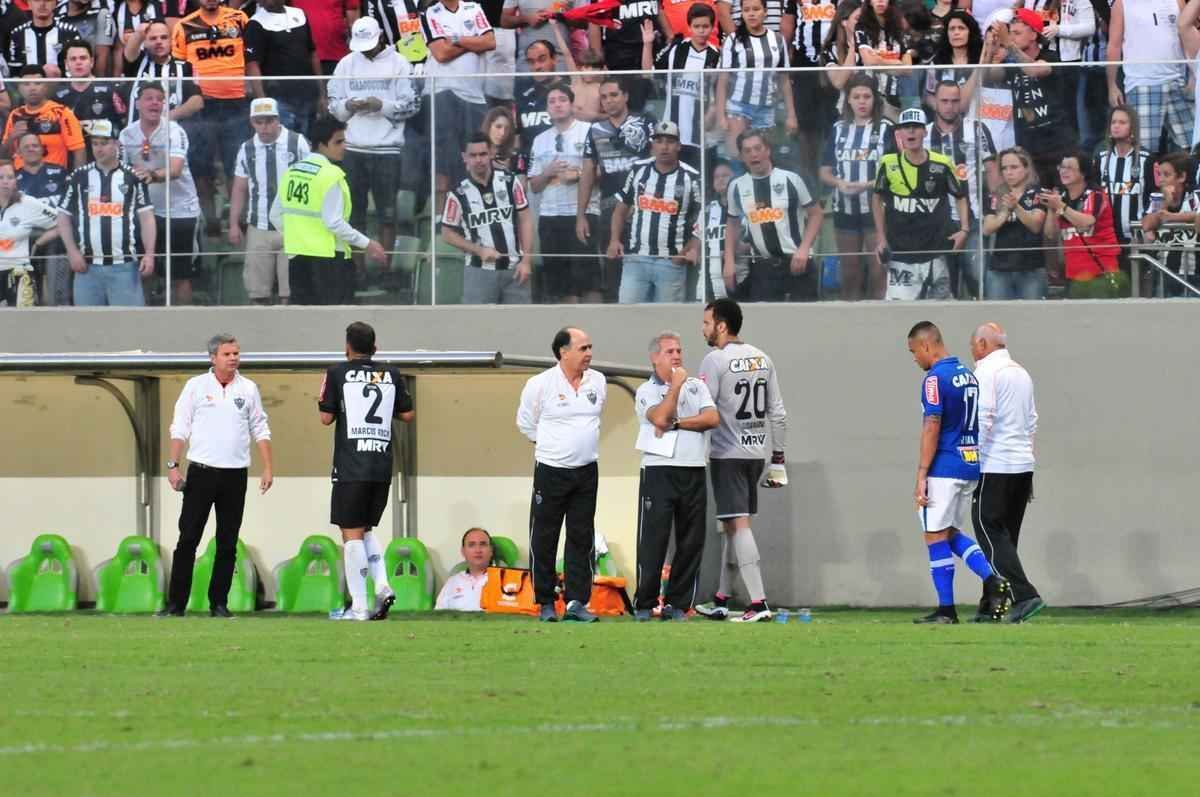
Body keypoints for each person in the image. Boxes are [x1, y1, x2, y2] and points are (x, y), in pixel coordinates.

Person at [905, 320, 1011, 625]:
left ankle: (947, 609)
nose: (914, 359)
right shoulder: (967, 375)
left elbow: (932, 425)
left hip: (944, 466)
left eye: (914, 351)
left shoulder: (935, 380)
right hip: (969, 463)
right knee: (950, 533)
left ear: (927, 345)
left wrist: (922, 474)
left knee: (933, 535)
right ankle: (993, 580)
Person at [160, 333, 274, 618]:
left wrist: (268, 467)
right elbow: (179, 427)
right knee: (188, 539)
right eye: (227, 354)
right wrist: (173, 466)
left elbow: (260, 427)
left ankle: (219, 604)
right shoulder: (195, 386)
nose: (234, 358)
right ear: (213, 358)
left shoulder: (248, 388)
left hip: (235, 475)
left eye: (236, 353)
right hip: (201, 473)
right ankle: (176, 605)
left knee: (227, 541)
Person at [694, 298, 787, 623]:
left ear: (721, 325)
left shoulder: (714, 360)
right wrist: (777, 458)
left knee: (739, 525)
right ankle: (721, 598)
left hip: (727, 454)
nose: (703, 329)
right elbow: (778, 412)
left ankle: (759, 603)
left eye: (707, 323)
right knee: (732, 525)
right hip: (756, 453)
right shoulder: (763, 357)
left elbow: (704, 410)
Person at [318, 321, 415, 622]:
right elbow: (408, 414)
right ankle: (383, 585)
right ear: (375, 348)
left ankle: (359, 606)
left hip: (351, 464)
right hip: (381, 465)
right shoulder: (392, 373)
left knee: (351, 535)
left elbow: (325, 417)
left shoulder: (336, 373)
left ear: (347, 347)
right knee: (366, 530)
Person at [515, 326, 606, 623]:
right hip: (551, 471)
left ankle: (577, 602)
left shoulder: (598, 382)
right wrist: (553, 448)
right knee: (544, 537)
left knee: (581, 536)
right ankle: (544, 602)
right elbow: (526, 423)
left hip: (587, 472)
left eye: (590, 347)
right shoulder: (540, 384)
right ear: (563, 352)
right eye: (583, 348)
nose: (589, 354)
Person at [632, 331, 719, 621]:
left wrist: (679, 423)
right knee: (653, 540)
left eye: (679, 351)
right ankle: (644, 603)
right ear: (655, 357)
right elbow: (659, 418)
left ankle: (678, 603)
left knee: (691, 540)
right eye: (670, 351)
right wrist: (675, 387)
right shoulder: (646, 391)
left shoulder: (697, 386)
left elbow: (711, 418)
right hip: (659, 470)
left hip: (694, 468)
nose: (677, 356)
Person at [329, 16, 420, 283]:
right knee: (353, 215)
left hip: (387, 148)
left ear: (381, 37)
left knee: (388, 214)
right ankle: (356, 271)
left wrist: (381, 104)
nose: (366, 49)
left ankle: (385, 269)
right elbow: (334, 106)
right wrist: (350, 106)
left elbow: (412, 105)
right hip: (354, 148)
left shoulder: (399, 63)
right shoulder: (346, 63)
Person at [969, 321, 1044, 624]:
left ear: (984, 345)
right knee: (1005, 541)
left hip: (995, 465)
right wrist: (1028, 459)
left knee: (987, 530)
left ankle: (1024, 596)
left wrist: (973, 460)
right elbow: (1032, 421)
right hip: (1022, 467)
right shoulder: (1021, 372)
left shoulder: (985, 371)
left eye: (973, 346)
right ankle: (992, 606)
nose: (973, 352)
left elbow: (983, 418)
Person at [269, 115, 388, 305]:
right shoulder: (330, 175)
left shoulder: (291, 172)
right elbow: (334, 222)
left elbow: (275, 215)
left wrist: (300, 234)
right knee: (335, 322)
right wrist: (368, 244)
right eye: (338, 142)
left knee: (305, 324)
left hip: (297, 259)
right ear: (321, 145)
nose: (344, 147)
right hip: (330, 261)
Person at [56, 118, 156, 306]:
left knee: (129, 326)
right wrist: (72, 252)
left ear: (117, 144)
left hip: (125, 266)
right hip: (87, 268)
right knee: (88, 328)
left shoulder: (133, 177)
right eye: (94, 144)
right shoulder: (79, 177)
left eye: (104, 143)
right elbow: (62, 217)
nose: (98, 149)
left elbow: (147, 218)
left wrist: (149, 254)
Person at [171, 0, 252, 231]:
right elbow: (180, 72)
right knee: (200, 168)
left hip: (236, 104)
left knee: (235, 166)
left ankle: (238, 221)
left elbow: (252, 58)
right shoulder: (183, 26)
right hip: (201, 107)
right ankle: (211, 222)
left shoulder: (239, 19)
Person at [872, 107, 968, 301]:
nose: (911, 132)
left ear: (925, 131)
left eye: (916, 127)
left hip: (936, 252)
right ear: (899, 132)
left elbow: (960, 196)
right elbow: (876, 199)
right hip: (900, 253)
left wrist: (964, 229)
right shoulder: (888, 163)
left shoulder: (942, 163)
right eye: (906, 127)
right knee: (900, 313)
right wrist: (881, 238)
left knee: (941, 313)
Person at [119, 82, 201, 305]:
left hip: (180, 211)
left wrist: (151, 176)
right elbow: (122, 172)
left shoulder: (175, 131)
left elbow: (175, 170)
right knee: (144, 271)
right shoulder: (127, 135)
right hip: (145, 213)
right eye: (149, 98)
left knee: (181, 275)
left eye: (159, 99)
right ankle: (142, 324)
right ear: (137, 103)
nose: (154, 102)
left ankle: (183, 325)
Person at [576, 77, 655, 302]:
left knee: (645, 268)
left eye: (613, 95)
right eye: (604, 97)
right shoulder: (595, 130)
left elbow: (657, 163)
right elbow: (588, 172)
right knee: (612, 273)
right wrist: (580, 215)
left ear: (626, 96)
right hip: (609, 207)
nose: (608, 101)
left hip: (644, 206)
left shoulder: (645, 122)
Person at [608, 121, 702, 303]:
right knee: (628, 316)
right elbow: (620, 209)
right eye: (659, 141)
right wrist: (614, 240)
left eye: (670, 141)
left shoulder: (691, 177)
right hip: (636, 259)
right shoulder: (638, 170)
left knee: (668, 322)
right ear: (652, 144)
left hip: (672, 261)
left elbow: (701, 218)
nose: (664, 147)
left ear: (679, 146)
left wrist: (692, 248)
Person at [725, 130, 824, 302]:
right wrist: (729, 261)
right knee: (765, 323)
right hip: (763, 268)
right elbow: (732, 224)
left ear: (767, 150)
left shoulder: (791, 179)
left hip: (797, 261)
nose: (754, 154)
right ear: (741, 156)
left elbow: (816, 214)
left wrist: (804, 248)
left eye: (757, 148)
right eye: (747, 151)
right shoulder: (736, 187)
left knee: (805, 322)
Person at [230, 97, 311, 306]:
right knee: (257, 292)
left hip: (292, 225)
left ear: (278, 120)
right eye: (259, 122)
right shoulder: (246, 149)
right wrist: (233, 224)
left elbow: (310, 181)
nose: (264, 127)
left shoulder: (297, 142)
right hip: (259, 225)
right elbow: (239, 188)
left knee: (290, 292)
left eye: (268, 121)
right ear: (252, 122)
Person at [819, 73, 892, 301]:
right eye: (857, 96)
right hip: (845, 211)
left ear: (875, 99)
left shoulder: (887, 128)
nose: (862, 101)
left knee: (878, 270)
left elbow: (893, 171)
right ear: (848, 100)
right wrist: (839, 183)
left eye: (867, 96)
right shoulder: (838, 128)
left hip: (876, 210)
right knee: (850, 272)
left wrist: (867, 185)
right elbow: (824, 171)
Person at [984, 8, 1075, 191]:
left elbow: (1034, 70)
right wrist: (990, 50)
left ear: (1034, 34)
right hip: (1027, 147)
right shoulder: (1013, 64)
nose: (1012, 37)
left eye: (1017, 33)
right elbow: (990, 76)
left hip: (1056, 145)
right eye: (1011, 34)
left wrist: (1008, 44)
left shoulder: (1050, 57)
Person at [441, 131, 534, 304]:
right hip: (479, 271)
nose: (478, 160)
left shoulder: (510, 182)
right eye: (473, 155)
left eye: (483, 154)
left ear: (491, 152)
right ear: (464, 157)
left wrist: (527, 260)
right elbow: (446, 233)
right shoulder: (457, 194)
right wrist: (479, 250)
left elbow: (526, 219)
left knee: (522, 326)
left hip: (515, 269)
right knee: (478, 328)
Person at [925, 79, 997, 299]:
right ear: (934, 102)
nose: (949, 106)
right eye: (944, 101)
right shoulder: (924, 134)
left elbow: (992, 170)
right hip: (937, 221)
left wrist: (993, 210)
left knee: (978, 280)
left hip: (974, 218)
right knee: (943, 285)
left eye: (955, 101)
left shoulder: (976, 128)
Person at [528, 84, 600, 303]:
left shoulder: (589, 132)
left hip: (583, 213)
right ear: (547, 109)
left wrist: (579, 174)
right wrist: (548, 172)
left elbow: (604, 172)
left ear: (571, 104)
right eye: (552, 101)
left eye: (562, 99)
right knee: (561, 286)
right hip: (550, 217)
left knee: (589, 281)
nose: (557, 105)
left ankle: (596, 328)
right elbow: (534, 185)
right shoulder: (539, 140)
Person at [421, 0, 496, 208]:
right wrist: (473, 42)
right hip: (441, 92)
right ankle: (440, 221)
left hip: (474, 95)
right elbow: (441, 54)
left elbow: (490, 41)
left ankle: (473, 213)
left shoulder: (474, 8)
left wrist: (455, 39)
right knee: (444, 162)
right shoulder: (429, 13)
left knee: (476, 158)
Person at [1107, 0, 1194, 154]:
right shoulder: (1121, 4)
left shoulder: (1177, 1)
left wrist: (1194, 75)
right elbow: (1114, 45)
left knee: (1193, 144)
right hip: (1141, 84)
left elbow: (1186, 38)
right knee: (1142, 151)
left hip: (1178, 81)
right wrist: (1112, 86)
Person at [643, 4, 721, 171]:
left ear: (712, 27)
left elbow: (720, 92)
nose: (701, 30)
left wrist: (712, 114)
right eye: (697, 26)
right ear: (689, 26)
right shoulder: (675, 49)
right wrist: (647, 44)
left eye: (705, 26)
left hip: (700, 134)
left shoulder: (717, 56)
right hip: (673, 132)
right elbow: (647, 73)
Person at [716, 0, 796, 160]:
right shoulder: (733, 40)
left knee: (763, 159)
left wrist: (791, 114)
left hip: (766, 108)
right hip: (738, 107)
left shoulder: (778, 40)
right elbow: (723, 80)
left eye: (756, 9)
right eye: (746, 10)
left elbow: (784, 79)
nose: (751, 13)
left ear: (765, 11)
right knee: (737, 157)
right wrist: (721, 115)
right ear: (742, 13)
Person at [1039, 150, 1122, 298]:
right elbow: (1051, 233)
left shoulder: (1095, 195)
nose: (1064, 171)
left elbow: (1086, 223)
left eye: (1070, 168)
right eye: (1062, 167)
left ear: (1083, 173)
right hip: (1073, 273)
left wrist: (1061, 207)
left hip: (1101, 271)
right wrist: (1051, 209)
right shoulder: (1061, 197)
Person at [245, 0, 323, 138]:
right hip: (278, 99)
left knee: (306, 143)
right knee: (284, 143)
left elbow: (312, 54)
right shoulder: (255, 23)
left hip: (307, 95)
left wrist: (322, 93)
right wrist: (264, 103)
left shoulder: (299, 14)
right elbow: (252, 65)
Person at [782, 0, 841, 180]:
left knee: (833, 125)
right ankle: (809, 181)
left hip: (833, 63)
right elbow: (787, 26)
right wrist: (784, 60)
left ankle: (831, 180)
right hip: (803, 65)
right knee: (807, 129)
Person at [1094, 105, 1153, 277]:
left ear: (1132, 127)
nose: (1116, 126)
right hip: (1106, 238)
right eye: (1113, 122)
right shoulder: (1101, 158)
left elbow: (1155, 196)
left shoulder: (1147, 159)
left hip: (1136, 238)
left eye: (1122, 122)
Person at [982, 146, 1047, 299]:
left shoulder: (1038, 193)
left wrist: (1016, 207)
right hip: (999, 268)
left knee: (1031, 319)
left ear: (1026, 168)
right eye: (1004, 168)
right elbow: (987, 228)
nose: (1008, 172)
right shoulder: (996, 196)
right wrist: (1005, 212)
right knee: (997, 319)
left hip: (1031, 268)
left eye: (1014, 167)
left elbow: (1035, 225)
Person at [16, 132, 70, 306]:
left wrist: (47, 236)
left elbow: (72, 212)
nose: (31, 149)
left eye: (35, 145)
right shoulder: (13, 181)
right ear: (19, 152)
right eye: (26, 146)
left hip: (58, 239)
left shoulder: (60, 173)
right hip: (24, 244)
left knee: (58, 298)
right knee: (27, 299)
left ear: (42, 149)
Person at [121, 19, 204, 128]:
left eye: (164, 37)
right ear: (144, 43)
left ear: (171, 41)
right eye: (153, 38)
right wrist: (139, 34)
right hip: (136, 137)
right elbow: (129, 51)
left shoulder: (184, 67)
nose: (159, 41)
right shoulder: (137, 62)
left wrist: (165, 117)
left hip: (172, 135)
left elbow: (197, 102)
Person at [2, 65, 86, 172]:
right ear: (19, 88)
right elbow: (4, 156)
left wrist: (77, 181)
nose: (32, 88)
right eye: (26, 84)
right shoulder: (15, 115)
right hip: (21, 183)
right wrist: (12, 137)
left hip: (54, 182)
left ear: (45, 86)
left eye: (38, 83)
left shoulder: (61, 113)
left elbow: (79, 150)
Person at [1140, 151, 1200, 297]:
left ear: (1182, 177)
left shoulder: (1195, 194)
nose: (1161, 180)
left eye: (1166, 175)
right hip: (1164, 271)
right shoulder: (1158, 198)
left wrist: (1172, 217)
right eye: (1159, 175)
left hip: (1193, 273)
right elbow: (1147, 224)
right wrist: (1166, 204)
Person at [55, 39, 125, 161]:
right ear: (66, 63)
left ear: (92, 62)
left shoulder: (110, 90)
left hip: (105, 158)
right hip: (71, 157)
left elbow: (123, 122)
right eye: (73, 59)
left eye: (83, 58)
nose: (78, 63)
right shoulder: (58, 96)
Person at [0, 160, 58, 308]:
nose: (5, 182)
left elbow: (62, 222)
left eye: (10, 177)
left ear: (16, 180)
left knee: (22, 326)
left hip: (18, 273)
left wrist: (40, 242)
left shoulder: (27, 203)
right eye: (1, 177)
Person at [854, 0, 915, 118]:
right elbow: (869, 63)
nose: (880, 1)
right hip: (870, 99)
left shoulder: (899, 28)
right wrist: (897, 63)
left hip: (895, 100)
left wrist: (879, 61)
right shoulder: (861, 27)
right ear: (870, 2)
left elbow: (908, 69)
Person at [6, 0, 80, 77]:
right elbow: (14, 74)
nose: (42, 4)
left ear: (55, 3)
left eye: (47, 0)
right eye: (37, 0)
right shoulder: (17, 34)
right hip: (28, 87)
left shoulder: (69, 32)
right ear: (29, 4)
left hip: (61, 87)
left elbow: (76, 68)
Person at [434, 527, 493, 611]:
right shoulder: (452, 582)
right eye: (471, 545)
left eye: (483, 544)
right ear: (463, 551)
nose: (478, 550)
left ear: (491, 551)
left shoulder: (504, 580)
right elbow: (438, 616)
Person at [55, 0, 116, 77]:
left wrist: (98, 84)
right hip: (62, 78)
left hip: (91, 79)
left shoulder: (103, 13)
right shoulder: (56, 13)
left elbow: (102, 55)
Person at [113, 0, 164, 77]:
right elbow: (119, 47)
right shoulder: (118, 8)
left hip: (153, 61)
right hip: (130, 62)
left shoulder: (154, 6)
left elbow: (161, 35)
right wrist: (117, 80)